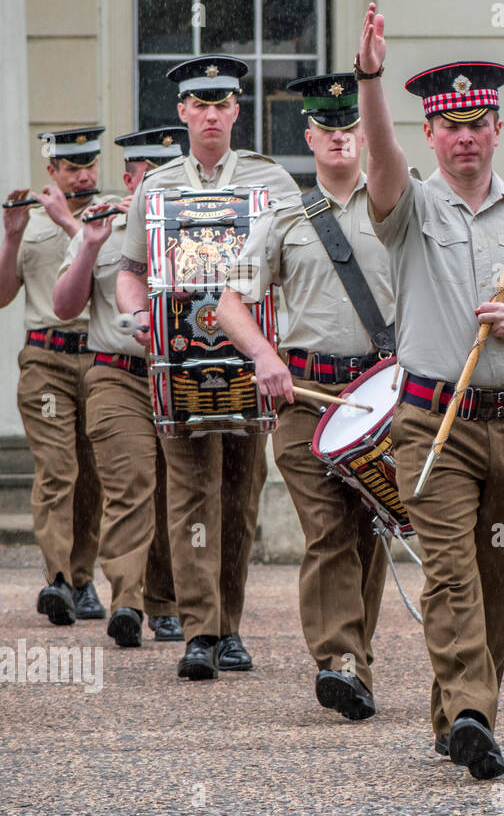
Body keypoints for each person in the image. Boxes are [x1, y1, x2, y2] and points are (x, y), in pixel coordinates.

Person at [356, 4, 504, 778]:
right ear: (431, 133)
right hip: (434, 422)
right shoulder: (410, 207)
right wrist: (370, 79)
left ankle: (453, 709)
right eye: (449, 124)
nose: (464, 136)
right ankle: (471, 714)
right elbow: (381, 157)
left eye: (477, 122)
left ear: (496, 128)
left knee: (501, 581)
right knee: (452, 572)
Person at [116, 54, 300, 680]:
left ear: (236, 111)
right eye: (202, 104)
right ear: (183, 112)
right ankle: (200, 631)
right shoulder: (157, 186)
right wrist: (137, 315)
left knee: (239, 494)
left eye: (223, 104)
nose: (213, 114)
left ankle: (230, 627)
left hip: (249, 362)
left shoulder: (272, 182)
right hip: (177, 361)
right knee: (191, 489)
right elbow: (129, 270)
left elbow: (296, 264)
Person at [218, 72, 395, 720]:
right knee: (328, 527)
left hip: (381, 394)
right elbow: (230, 301)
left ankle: (357, 662)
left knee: (368, 528)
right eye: (330, 129)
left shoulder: (398, 205)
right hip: (305, 393)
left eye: (352, 128)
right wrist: (263, 354)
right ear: (310, 136)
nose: (341, 138)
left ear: (363, 136)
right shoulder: (283, 215)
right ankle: (338, 659)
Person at [52, 127, 185, 646]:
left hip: (178, 376)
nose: (156, 184)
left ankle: (168, 602)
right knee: (131, 486)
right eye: (147, 175)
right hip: (116, 374)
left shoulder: (192, 222)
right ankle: (127, 601)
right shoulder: (101, 220)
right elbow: (64, 307)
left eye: (166, 174)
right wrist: (88, 246)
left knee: (175, 492)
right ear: (129, 177)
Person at [0, 127, 105, 626]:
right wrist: (13, 235)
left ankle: (83, 579)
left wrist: (72, 224)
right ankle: (58, 579)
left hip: (102, 359)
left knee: (94, 475)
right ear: (53, 172)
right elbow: (2, 294)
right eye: (72, 167)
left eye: (89, 164)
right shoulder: (32, 222)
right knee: (59, 468)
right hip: (46, 360)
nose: (83, 174)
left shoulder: (113, 216)